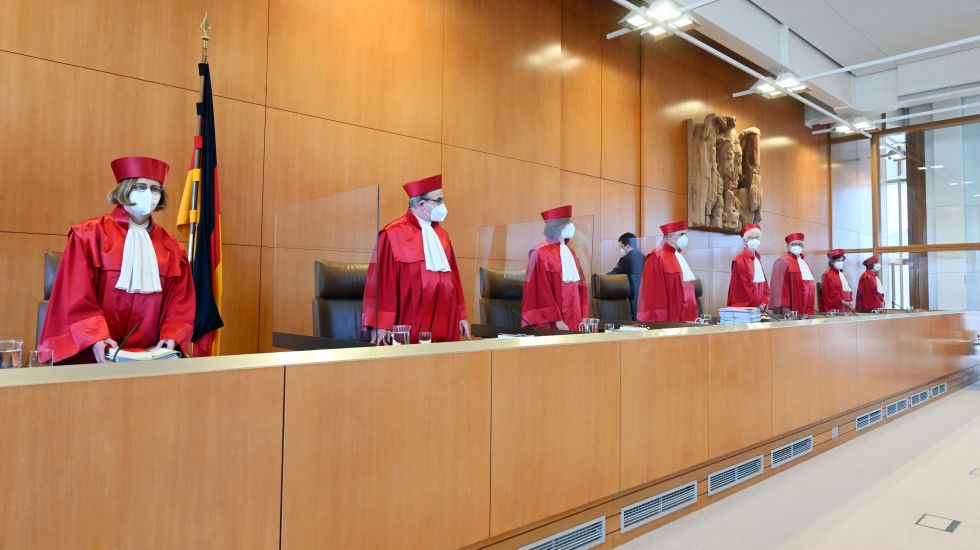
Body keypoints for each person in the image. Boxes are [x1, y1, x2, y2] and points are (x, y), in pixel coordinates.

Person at [38, 157, 195, 364]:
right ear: (124, 189)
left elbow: (180, 302)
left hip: (149, 357)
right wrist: (96, 338)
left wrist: (172, 335)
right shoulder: (89, 235)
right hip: (92, 353)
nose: (149, 194)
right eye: (140, 186)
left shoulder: (172, 247)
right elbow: (76, 295)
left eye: (155, 189)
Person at [361, 174, 470, 344]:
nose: (443, 206)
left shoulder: (443, 236)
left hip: (445, 325)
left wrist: (460, 315)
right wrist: (381, 324)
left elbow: (454, 279)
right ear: (421, 204)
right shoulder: (392, 234)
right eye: (438, 200)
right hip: (410, 328)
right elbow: (382, 285)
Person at [522, 205, 590, 331]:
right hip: (553, 323)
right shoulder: (540, 253)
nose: (572, 226)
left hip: (575, 320)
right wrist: (557, 320)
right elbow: (541, 291)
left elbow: (582, 286)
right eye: (568, 223)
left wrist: (584, 316)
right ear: (558, 227)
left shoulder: (571, 253)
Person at [637, 220, 699, 323]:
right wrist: (660, 327)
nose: (685, 238)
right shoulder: (656, 258)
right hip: (669, 324)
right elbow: (654, 297)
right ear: (670, 236)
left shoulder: (679, 256)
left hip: (687, 322)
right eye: (682, 234)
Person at [769, 232, 816, 315]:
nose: (797, 246)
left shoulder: (805, 263)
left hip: (807, 306)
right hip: (791, 308)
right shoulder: (782, 262)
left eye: (800, 244)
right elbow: (778, 287)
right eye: (794, 244)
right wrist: (785, 307)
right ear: (788, 246)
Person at [727, 223, 770, 309]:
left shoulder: (758, 259)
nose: (755, 240)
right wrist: (757, 304)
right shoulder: (739, 260)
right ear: (745, 240)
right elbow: (744, 288)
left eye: (757, 237)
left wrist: (765, 301)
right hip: (745, 308)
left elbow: (764, 284)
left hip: (759, 307)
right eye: (751, 238)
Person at [607, 232, 644, 319]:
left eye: (621, 247)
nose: (621, 250)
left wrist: (600, 278)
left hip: (630, 296)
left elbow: (613, 275)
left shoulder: (625, 259)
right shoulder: (643, 257)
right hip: (642, 297)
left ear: (627, 246)